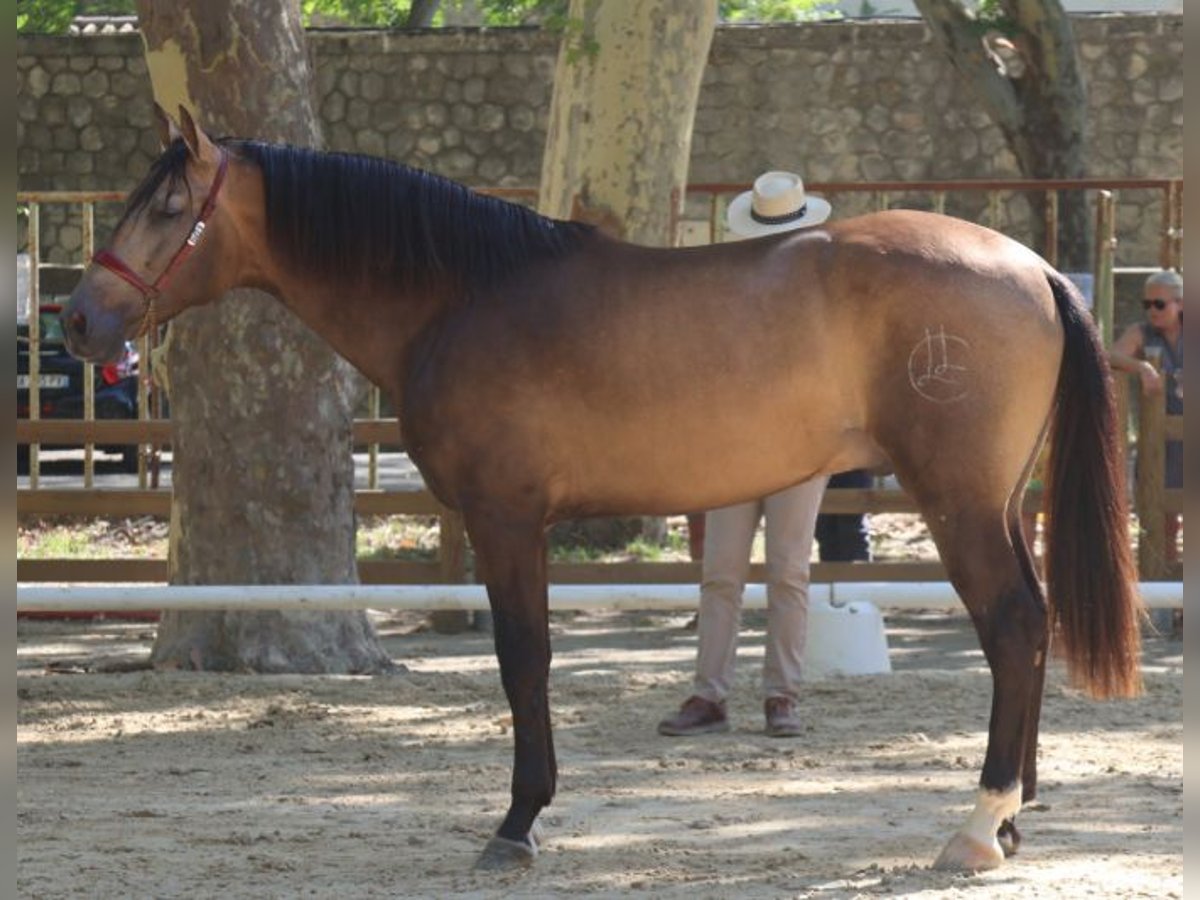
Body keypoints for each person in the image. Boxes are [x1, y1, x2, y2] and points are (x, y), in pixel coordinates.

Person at [659, 171, 832, 739]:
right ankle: (713, 695)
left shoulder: (819, 294)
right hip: (736, 447)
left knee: (787, 573)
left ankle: (780, 695)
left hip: (795, 445)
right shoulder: (725, 291)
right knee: (722, 574)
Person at [1108, 270, 1183, 568]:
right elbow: (1110, 355)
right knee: (1161, 519)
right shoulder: (1141, 332)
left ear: (1181, 304)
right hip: (1158, 443)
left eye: (1159, 304)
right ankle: (1163, 586)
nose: (1152, 310)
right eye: (1147, 304)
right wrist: (1142, 367)